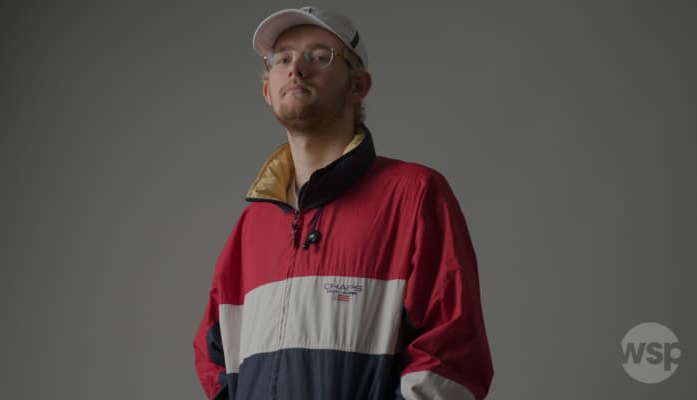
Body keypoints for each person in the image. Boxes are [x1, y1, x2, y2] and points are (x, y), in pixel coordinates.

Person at [194, 6, 493, 399]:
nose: (296, 68)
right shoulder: (252, 226)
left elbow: (450, 361)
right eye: (282, 58)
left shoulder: (415, 196)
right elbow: (216, 362)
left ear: (358, 85)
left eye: (320, 56)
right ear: (268, 91)